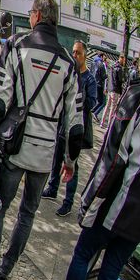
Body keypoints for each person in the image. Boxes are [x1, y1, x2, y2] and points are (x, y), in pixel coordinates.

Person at [0, 0, 84, 280]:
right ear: (54, 20)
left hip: (15, 146)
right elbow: (75, 124)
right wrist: (70, 162)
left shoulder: (17, 47)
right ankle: (4, 270)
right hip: (45, 153)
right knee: (28, 214)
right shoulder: (68, 63)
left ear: (35, 16)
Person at [40, 81, 140, 280]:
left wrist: (90, 200)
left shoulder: (135, 96)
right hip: (135, 218)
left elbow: (114, 155)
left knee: (84, 254)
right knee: (110, 275)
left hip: (117, 200)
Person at [41, 41, 96, 216]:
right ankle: (52, 187)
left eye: (78, 53)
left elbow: (93, 103)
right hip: (61, 126)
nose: (74, 56)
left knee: (72, 164)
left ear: (85, 55)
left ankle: (68, 201)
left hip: (75, 129)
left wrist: (79, 97)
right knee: (56, 159)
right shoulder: (69, 74)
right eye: (73, 52)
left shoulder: (89, 78)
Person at [101, 54, 127, 128]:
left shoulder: (113, 66)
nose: (124, 61)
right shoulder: (119, 68)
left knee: (107, 106)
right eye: (124, 59)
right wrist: (124, 78)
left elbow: (109, 77)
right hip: (115, 90)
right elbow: (120, 80)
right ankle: (109, 125)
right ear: (121, 58)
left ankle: (102, 123)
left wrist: (107, 87)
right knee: (113, 108)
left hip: (110, 89)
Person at [90, 53, 108, 119]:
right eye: (104, 57)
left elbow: (91, 71)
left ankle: (92, 111)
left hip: (93, 82)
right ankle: (94, 112)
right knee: (102, 102)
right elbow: (103, 76)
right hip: (99, 84)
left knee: (94, 99)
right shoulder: (101, 64)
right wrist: (107, 75)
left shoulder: (93, 62)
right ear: (102, 56)